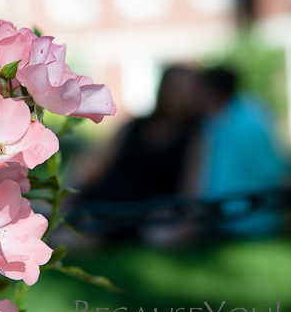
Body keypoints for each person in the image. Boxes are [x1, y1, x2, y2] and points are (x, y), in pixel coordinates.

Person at [79, 65, 202, 243]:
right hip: (105, 202)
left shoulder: (194, 138)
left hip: (149, 216)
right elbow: (96, 165)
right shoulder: (133, 127)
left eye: (189, 90)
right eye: (178, 89)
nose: (183, 96)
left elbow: (190, 188)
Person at [196, 66, 289, 239]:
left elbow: (279, 172)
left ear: (210, 92)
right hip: (227, 218)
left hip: (244, 223)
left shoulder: (248, 121)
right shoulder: (217, 120)